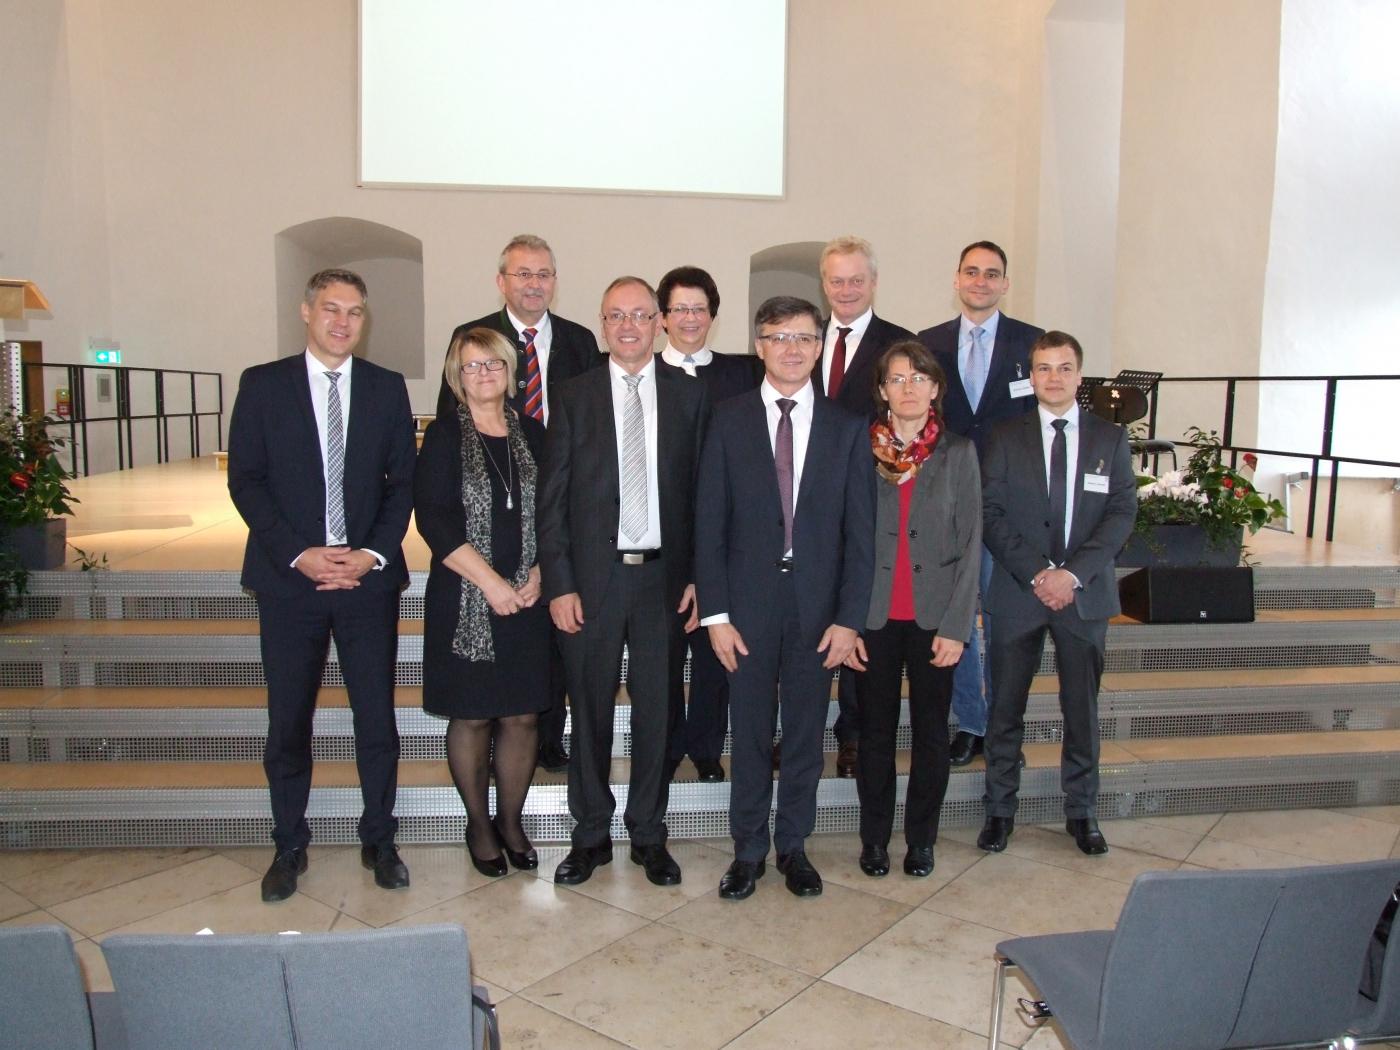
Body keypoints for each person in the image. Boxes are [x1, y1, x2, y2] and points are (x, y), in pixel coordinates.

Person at [228, 268, 414, 902]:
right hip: (290, 583)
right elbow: (246, 480)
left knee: (376, 719)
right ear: (306, 312)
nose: (343, 321)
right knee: (288, 720)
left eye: (355, 311)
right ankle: (288, 843)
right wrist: (298, 553)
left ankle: (379, 839)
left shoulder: (386, 388)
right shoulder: (263, 384)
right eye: (331, 309)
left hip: (366, 584)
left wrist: (370, 555)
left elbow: (402, 485)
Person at [695, 295, 875, 900]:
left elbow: (861, 535)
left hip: (818, 610)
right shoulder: (728, 419)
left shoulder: (847, 428)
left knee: (804, 734)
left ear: (819, 346)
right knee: (748, 733)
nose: (790, 349)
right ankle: (747, 849)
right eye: (777, 337)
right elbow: (709, 523)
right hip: (745, 606)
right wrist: (715, 615)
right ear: (759, 346)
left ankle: (793, 845)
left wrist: (850, 620)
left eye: (802, 337)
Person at [538, 276, 709, 887]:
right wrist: (559, 583)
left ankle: (648, 833)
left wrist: (700, 578)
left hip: (664, 580)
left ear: (659, 323)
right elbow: (552, 500)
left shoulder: (690, 396)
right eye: (617, 316)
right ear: (603, 325)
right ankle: (590, 835)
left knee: (657, 712)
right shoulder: (573, 395)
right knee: (588, 710)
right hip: (592, 581)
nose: (629, 326)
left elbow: (703, 496)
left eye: (640, 315)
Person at [435, 234, 604, 776]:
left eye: (543, 274)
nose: (534, 284)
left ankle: (547, 737)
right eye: (523, 274)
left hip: (557, 502)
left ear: (555, 281)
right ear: (501, 281)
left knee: (554, 637)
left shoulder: (579, 341)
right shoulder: (472, 337)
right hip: (487, 516)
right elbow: (452, 430)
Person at [977, 331, 1136, 856]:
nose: (1053, 377)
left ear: (1079, 375)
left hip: (1083, 597)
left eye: (1064, 368)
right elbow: (990, 514)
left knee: (1081, 711)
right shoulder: (1005, 436)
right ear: (1032, 375)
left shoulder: (1110, 438)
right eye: (1044, 368)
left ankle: (1082, 811)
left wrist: (1071, 575)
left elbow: (1121, 513)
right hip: (1017, 594)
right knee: (1005, 709)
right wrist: (1038, 573)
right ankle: (999, 810)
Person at [414, 327, 549, 877]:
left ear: (510, 371)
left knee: (522, 715)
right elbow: (434, 520)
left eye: (493, 363)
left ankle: (511, 820)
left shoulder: (535, 434)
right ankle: (479, 824)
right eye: (472, 366)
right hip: (466, 596)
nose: (485, 373)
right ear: (457, 376)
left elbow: (556, 510)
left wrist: (541, 572)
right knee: (472, 717)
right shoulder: (444, 435)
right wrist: (491, 583)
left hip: (529, 599)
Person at [849, 341, 981, 879]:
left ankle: (921, 840)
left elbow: (971, 543)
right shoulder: (859, 450)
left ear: (935, 389)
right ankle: (875, 840)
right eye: (897, 378)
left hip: (935, 620)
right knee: (874, 736)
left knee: (930, 736)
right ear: (882, 390)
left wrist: (957, 627)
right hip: (873, 618)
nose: (908, 387)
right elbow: (842, 540)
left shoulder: (958, 453)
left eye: (919, 378)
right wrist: (846, 622)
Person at [917, 241, 1045, 768]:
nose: (981, 281)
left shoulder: (1031, 343)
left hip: (1007, 505)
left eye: (992, 273)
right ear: (956, 279)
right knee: (957, 618)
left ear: (1005, 283)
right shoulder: (927, 343)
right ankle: (971, 721)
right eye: (972, 271)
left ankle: (1003, 726)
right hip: (945, 502)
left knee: (1003, 619)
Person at [812, 236, 914, 778]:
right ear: (823, 283)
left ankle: (853, 734)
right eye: (837, 280)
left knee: (860, 619)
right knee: (808, 620)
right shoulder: (801, 337)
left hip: (872, 502)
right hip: (803, 506)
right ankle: (802, 730)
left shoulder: (900, 345)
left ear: (873, 282)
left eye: (856, 279)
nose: (846, 289)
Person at [655, 265, 761, 783]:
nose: (690, 318)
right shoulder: (641, 374)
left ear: (713, 316)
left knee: (716, 651)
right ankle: (666, 745)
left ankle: (705, 747)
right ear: (662, 318)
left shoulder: (743, 375)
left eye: (699, 308)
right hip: (661, 541)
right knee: (664, 655)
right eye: (680, 308)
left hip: (726, 538)